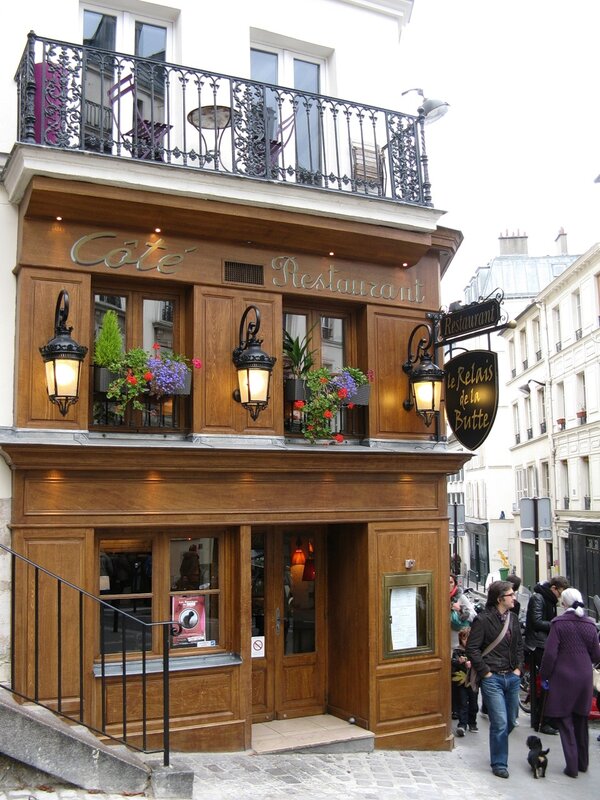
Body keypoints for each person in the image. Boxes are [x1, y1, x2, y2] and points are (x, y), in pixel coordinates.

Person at [539, 587, 600, 778]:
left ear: (563, 603)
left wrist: (544, 675)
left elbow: (550, 654)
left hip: (563, 677)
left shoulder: (558, 624)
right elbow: (597, 655)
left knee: (565, 721)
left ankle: (572, 766)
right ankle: (583, 764)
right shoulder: (590, 624)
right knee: (581, 720)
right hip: (584, 677)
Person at [466, 580, 524, 779]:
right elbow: (472, 648)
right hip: (493, 678)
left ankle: (497, 746)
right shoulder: (482, 620)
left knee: (509, 722)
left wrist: (518, 669)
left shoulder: (514, 619)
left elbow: (519, 646)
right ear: (500, 599)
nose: (514, 598)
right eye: (511, 595)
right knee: (499, 722)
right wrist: (485, 672)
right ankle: (499, 762)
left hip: (512, 676)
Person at [524, 575, 569, 734]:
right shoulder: (539, 598)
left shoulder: (548, 599)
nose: (560, 596)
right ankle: (542, 721)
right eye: (560, 592)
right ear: (554, 588)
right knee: (546, 683)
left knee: (550, 683)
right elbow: (536, 621)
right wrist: (557, 624)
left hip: (544, 643)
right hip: (538, 645)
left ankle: (547, 719)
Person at [450, 575, 476, 719]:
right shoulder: (439, 595)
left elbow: (473, 615)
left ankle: (459, 710)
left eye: (451, 582)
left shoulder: (460, 598)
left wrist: (460, 610)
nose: (448, 585)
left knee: (457, 680)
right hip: (442, 644)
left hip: (457, 645)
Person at [451, 626, 479, 737]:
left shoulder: (476, 651)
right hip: (461, 681)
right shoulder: (458, 651)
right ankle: (462, 724)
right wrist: (460, 661)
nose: (466, 641)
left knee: (473, 703)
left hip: (473, 680)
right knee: (463, 703)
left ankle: (472, 722)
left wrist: (473, 663)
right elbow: (453, 663)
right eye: (464, 639)